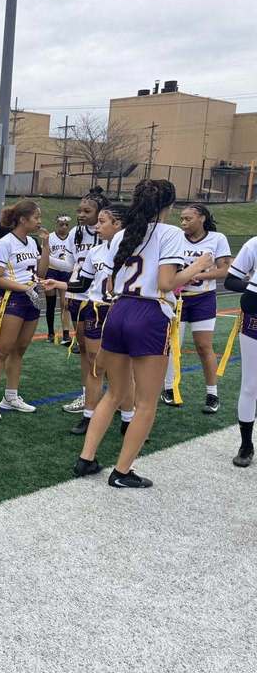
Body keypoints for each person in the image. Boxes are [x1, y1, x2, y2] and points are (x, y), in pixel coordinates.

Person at [75, 180, 213, 488]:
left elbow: (111, 283)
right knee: (146, 403)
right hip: (149, 313)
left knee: (114, 394)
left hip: (119, 310)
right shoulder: (172, 234)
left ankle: (86, 458)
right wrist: (200, 265)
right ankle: (122, 471)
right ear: (169, 205)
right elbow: (166, 283)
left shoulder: (124, 234)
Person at [45, 205, 132, 435]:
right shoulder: (96, 251)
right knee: (95, 365)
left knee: (123, 368)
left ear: (118, 224)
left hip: (121, 309)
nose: (97, 226)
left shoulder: (135, 250)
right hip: (96, 309)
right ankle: (89, 415)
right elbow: (83, 284)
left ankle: (128, 418)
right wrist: (59, 284)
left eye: (102, 222)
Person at [0, 199, 50, 421]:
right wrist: (24, 288)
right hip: (13, 299)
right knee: (2, 351)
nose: (40, 221)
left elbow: (41, 271)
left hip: (31, 298)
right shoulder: (5, 243)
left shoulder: (30, 242)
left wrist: (46, 246)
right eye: (36, 217)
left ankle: (10, 397)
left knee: (20, 350)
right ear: (23, 219)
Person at [161, 203, 232, 413]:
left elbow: (225, 269)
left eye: (188, 219)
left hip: (203, 298)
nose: (183, 223)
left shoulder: (217, 239)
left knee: (204, 346)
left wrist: (197, 274)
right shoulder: (175, 238)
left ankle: (212, 393)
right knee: (173, 346)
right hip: (177, 299)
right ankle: (169, 388)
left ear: (201, 218)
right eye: (181, 219)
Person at [62, 188, 106, 414]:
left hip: (101, 297)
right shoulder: (75, 233)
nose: (80, 214)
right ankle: (86, 393)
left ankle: (115, 394)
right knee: (85, 349)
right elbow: (70, 265)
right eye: (79, 210)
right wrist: (46, 254)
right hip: (77, 294)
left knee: (106, 351)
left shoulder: (112, 233)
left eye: (86, 210)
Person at [225, 235, 257, 467]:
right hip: (255, 318)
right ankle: (246, 444)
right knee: (250, 385)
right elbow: (231, 280)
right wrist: (253, 286)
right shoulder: (255, 243)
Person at [45, 214, 75, 344]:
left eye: (66, 225)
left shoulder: (72, 238)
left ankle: (66, 334)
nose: (64, 227)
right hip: (52, 271)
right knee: (50, 303)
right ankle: (50, 333)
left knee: (65, 304)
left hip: (66, 272)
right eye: (61, 224)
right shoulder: (50, 237)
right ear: (56, 224)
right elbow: (45, 253)